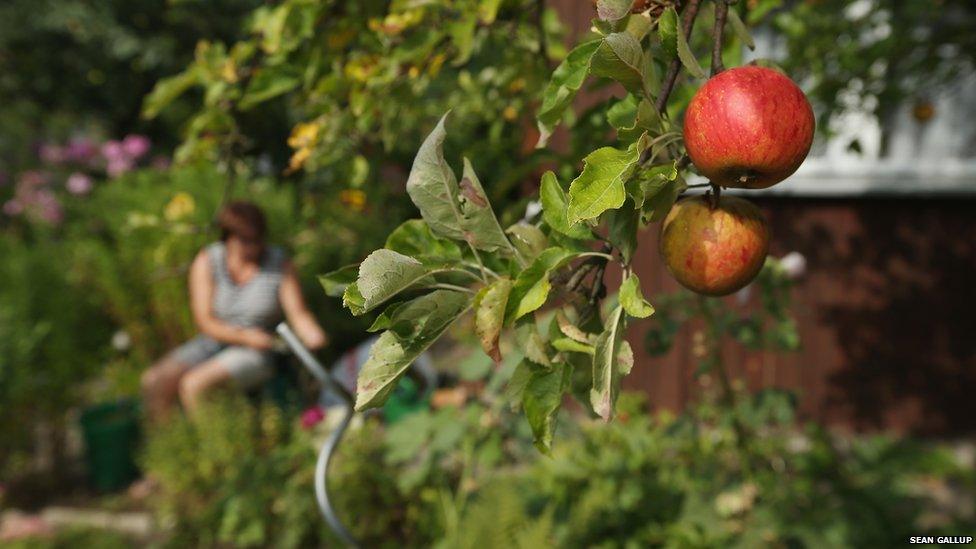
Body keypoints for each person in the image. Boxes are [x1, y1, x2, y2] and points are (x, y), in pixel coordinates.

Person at [141, 201, 327, 420]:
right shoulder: (208, 260)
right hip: (214, 340)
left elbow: (298, 313)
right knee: (154, 381)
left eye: (258, 239)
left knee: (195, 385)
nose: (254, 247)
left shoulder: (278, 263)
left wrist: (313, 336)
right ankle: (170, 445)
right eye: (246, 240)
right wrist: (244, 336)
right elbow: (204, 320)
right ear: (228, 237)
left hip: (260, 349)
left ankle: (216, 451)